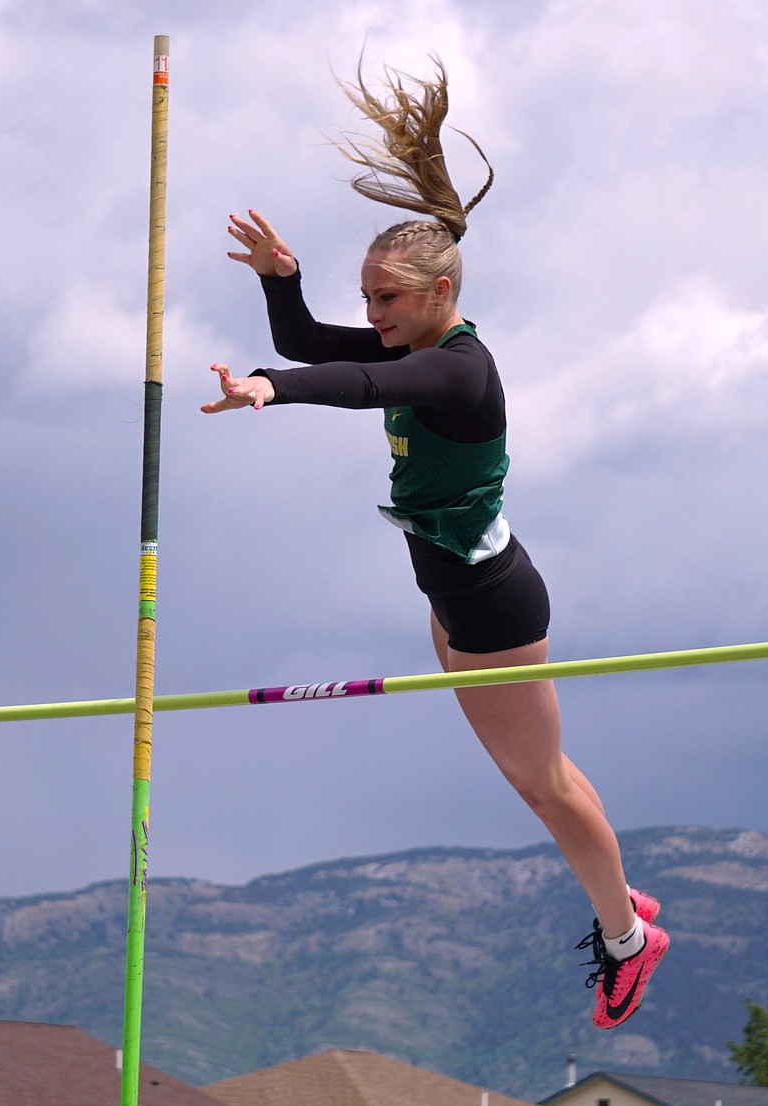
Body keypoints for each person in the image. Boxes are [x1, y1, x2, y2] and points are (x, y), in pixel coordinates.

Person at [201, 58, 668, 1028]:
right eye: (368, 298)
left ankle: (630, 937)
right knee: (530, 779)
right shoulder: (413, 341)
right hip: (452, 600)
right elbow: (311, 345)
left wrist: (268, 392)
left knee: (545, 786)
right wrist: (282, 285)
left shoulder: (456, 372)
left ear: (440, 291)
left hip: (494, 603)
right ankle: (619, 894)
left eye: (388, 302)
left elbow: (357, 386)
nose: (373, 319)